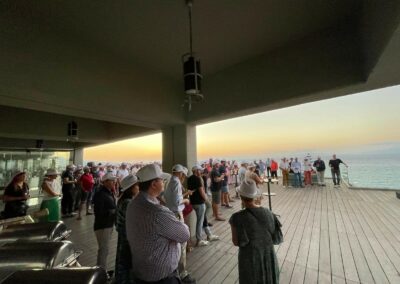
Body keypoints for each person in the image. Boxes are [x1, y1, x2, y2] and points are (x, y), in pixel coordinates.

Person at [126, 164, 189, 284]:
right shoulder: (157, 213)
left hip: (141, 271)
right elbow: (184, 234)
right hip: (162, 276)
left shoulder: (133, 204)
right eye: (162, 180)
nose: (164, 182)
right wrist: (182, 223)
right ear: (153, 184)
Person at [229, 180, 279, 284]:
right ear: (254, 196)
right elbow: (275, 236)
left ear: (241, 197)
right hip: (268, 254)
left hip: (250, 257)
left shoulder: (237, 218)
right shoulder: (269, 213)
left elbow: (236, 242)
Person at [164, 164, 195, 283]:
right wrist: (186, 200)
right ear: (181, 174)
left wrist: (184, 195)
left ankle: (173, 269)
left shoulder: (168, 181)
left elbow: (167, 198)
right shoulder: (176, 183)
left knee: (171, 243)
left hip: (169, 214)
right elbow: (177, 201)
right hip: (177, 214)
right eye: (183, 175)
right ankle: (182, 273)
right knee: (182, 243)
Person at [115, 174, 139, 284]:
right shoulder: (128, 203)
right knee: (127, 263)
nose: (138, 188)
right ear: (131, 188)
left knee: (122, 261)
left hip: (123, 236)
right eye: (136, 186)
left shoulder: (122, 200)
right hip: (127, 239)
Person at [188, 165, 219, 247]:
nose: (201, 172)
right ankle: (199, 240)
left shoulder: (189, 178)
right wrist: (207, 200)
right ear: (196, 170)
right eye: (199, 170)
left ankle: (209, 235)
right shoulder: (197, 179)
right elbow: (201, 192)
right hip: (199, 203)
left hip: (193, 202)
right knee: (200, 221)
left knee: (203, 218)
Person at [93, 172, 117, 278]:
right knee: (103, 250)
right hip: (103, 226)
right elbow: (98, 212)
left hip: (107, 224)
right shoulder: (100, 194)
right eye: (111, 180)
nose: (114, 182)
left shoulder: (107, 192)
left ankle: (101, 271)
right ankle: (101, 274)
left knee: (104, 249)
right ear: (105, 182)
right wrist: (112, 211)